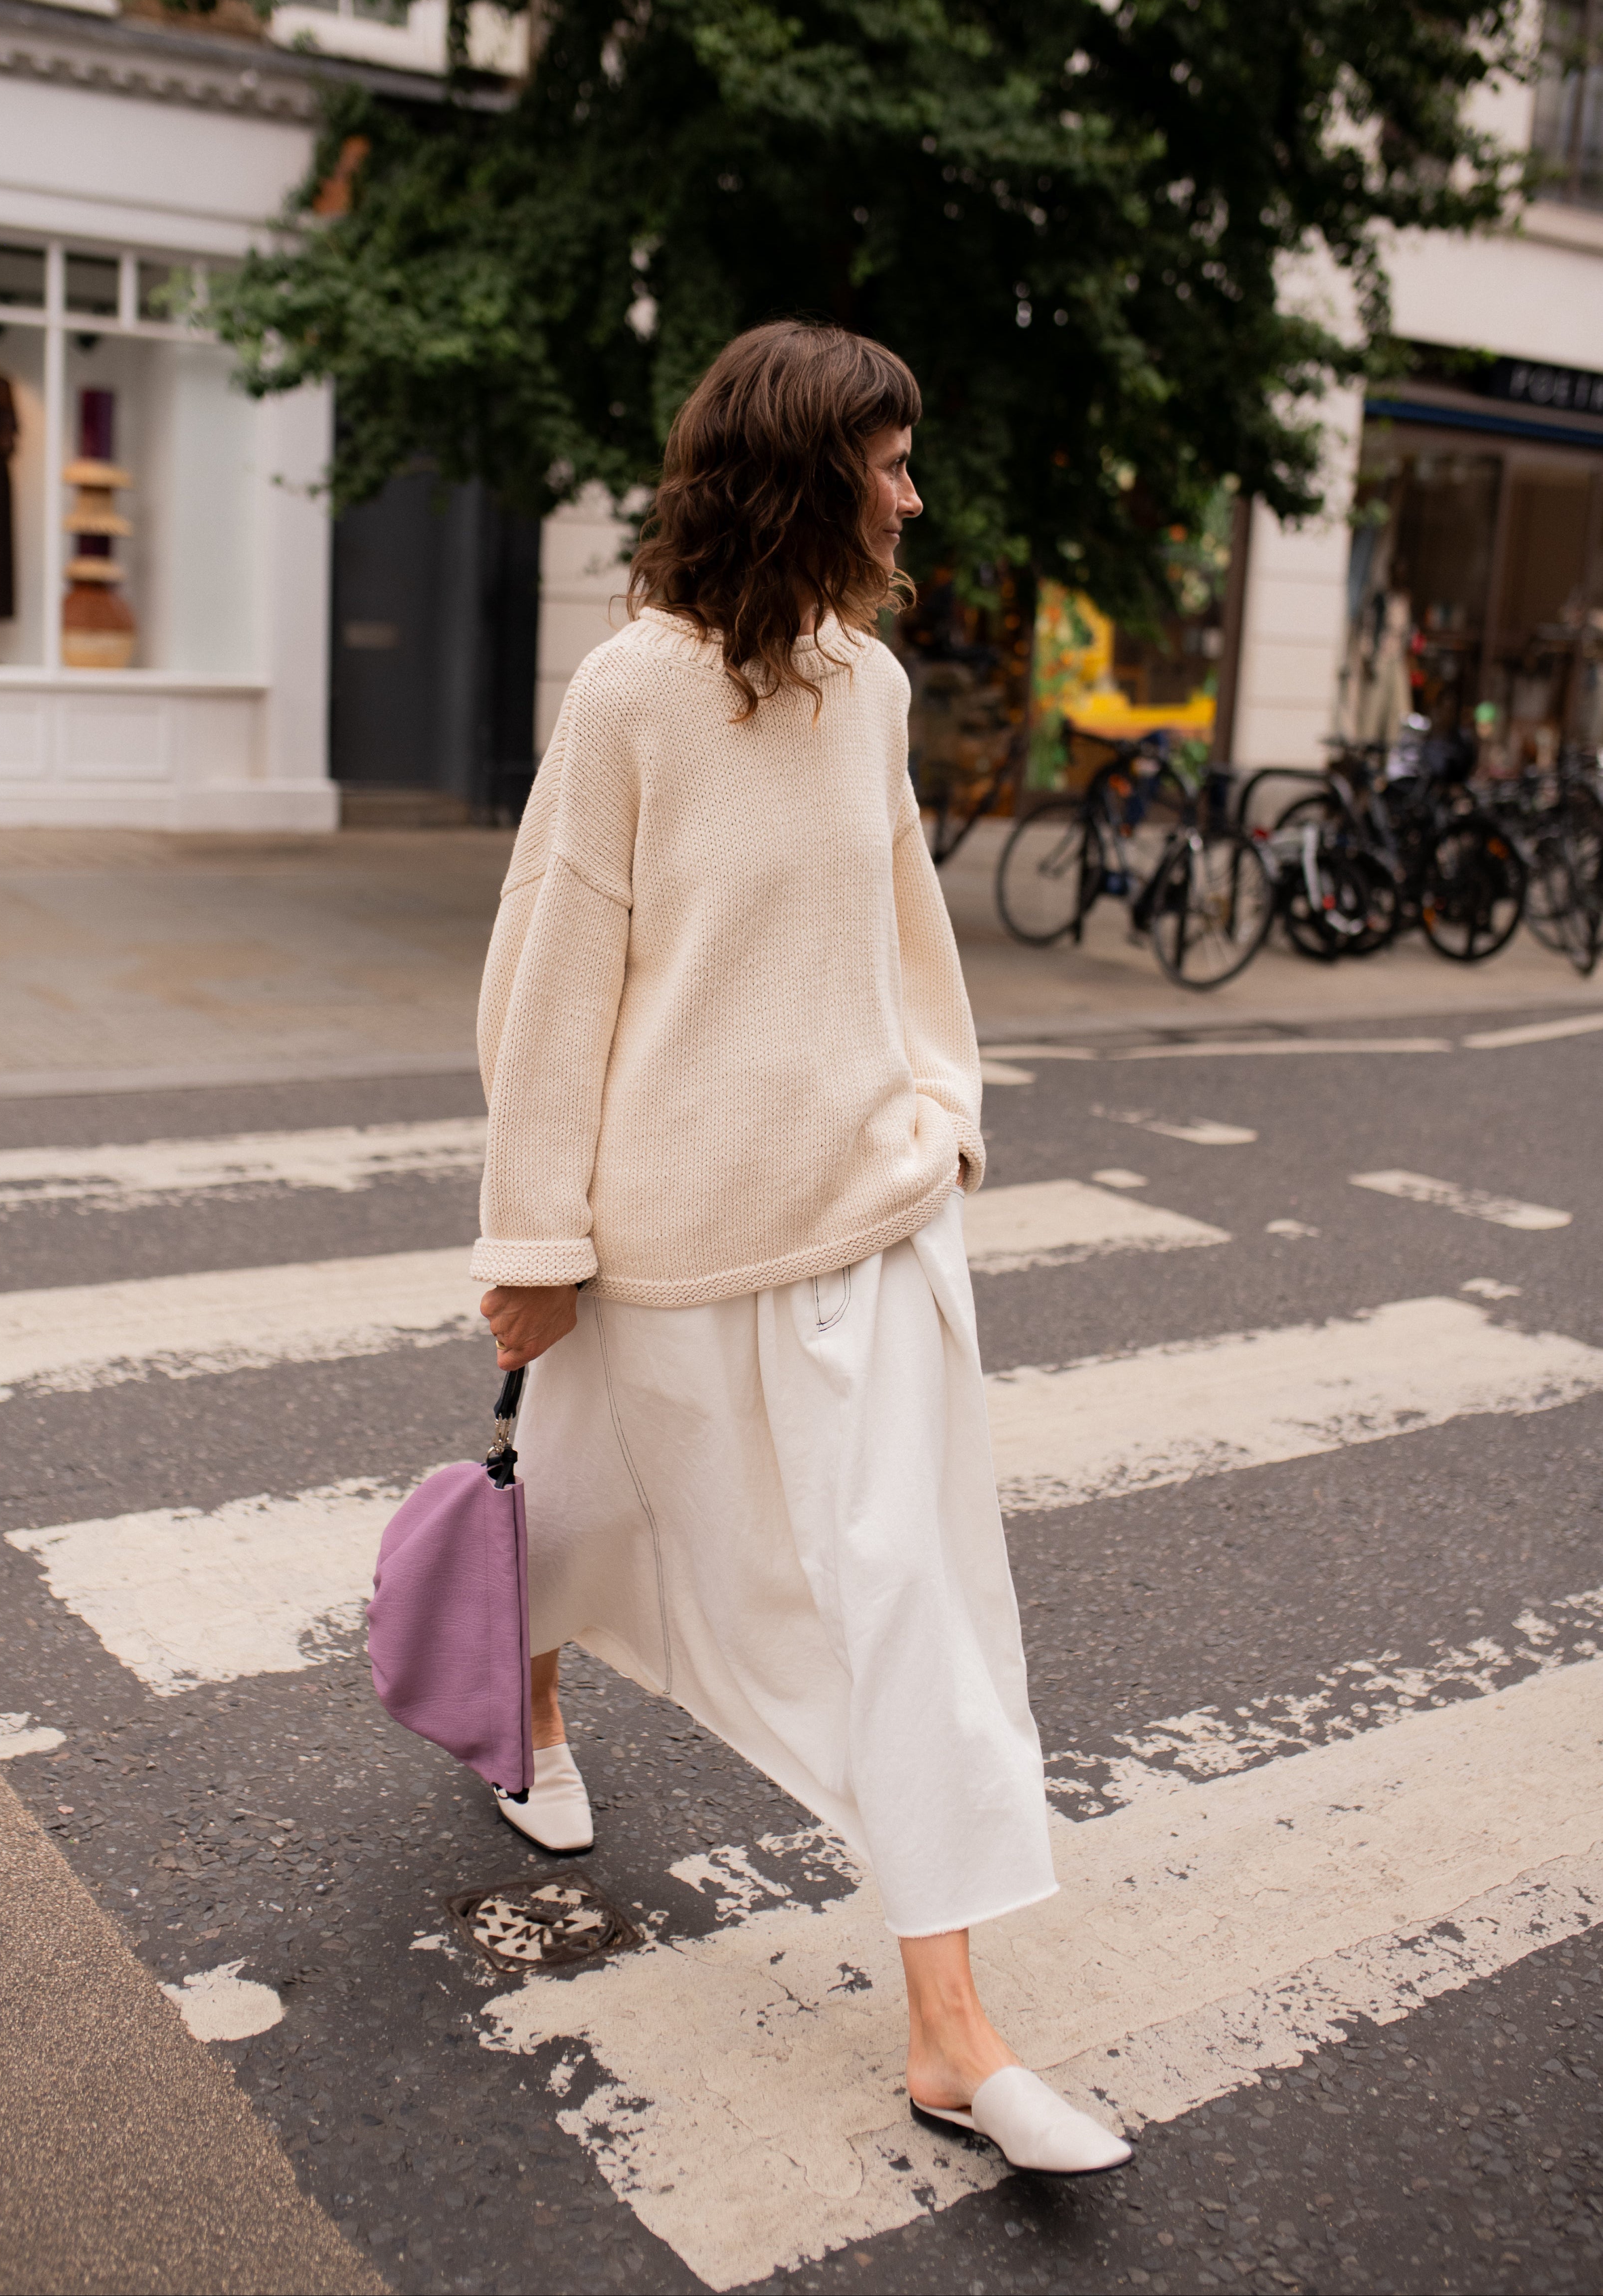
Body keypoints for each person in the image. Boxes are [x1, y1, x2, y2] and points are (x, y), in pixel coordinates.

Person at [469, 320, 1131, 2179]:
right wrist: (533, 1241)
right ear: (796, 474)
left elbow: (906, 925)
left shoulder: (878, 686)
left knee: (909, 1606)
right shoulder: (629, 697)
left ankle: (952, 2030)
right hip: (664, 1249)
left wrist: (943, 1106)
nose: (915, 495)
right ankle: (518, 1690)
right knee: (587, 1529)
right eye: (889, 462)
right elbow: (550, 986)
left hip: (870, 1222)